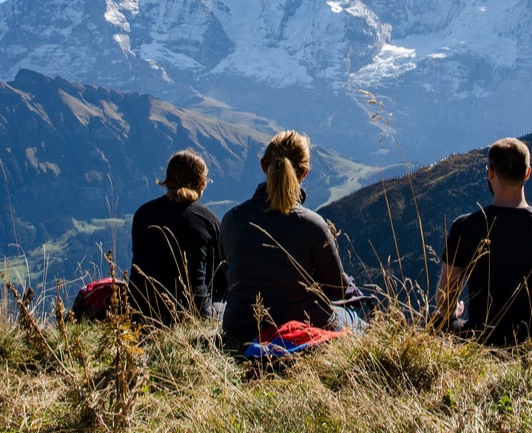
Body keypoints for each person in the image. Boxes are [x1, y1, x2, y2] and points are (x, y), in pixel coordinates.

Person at [220, 130, 363, 350]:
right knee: (356, 315)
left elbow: (227, 278)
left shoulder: (232, 220)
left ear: (262, 165)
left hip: (240, 329)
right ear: (304, 173)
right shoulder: (311, 224)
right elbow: (336, 290)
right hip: (301, 326)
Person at [433, 137, 532, 345]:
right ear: (527, 173)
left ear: (490, 172)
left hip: (481, 342)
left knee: (434, 319)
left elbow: (445, 300)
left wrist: (455, 311)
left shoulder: (464, 227)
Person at [129, 150, 225, 326]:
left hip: (140, 314)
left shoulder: (143, 214)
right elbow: (220, 279)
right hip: (193, 315)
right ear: (201, 183)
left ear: (168, 179)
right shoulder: (208, 220)